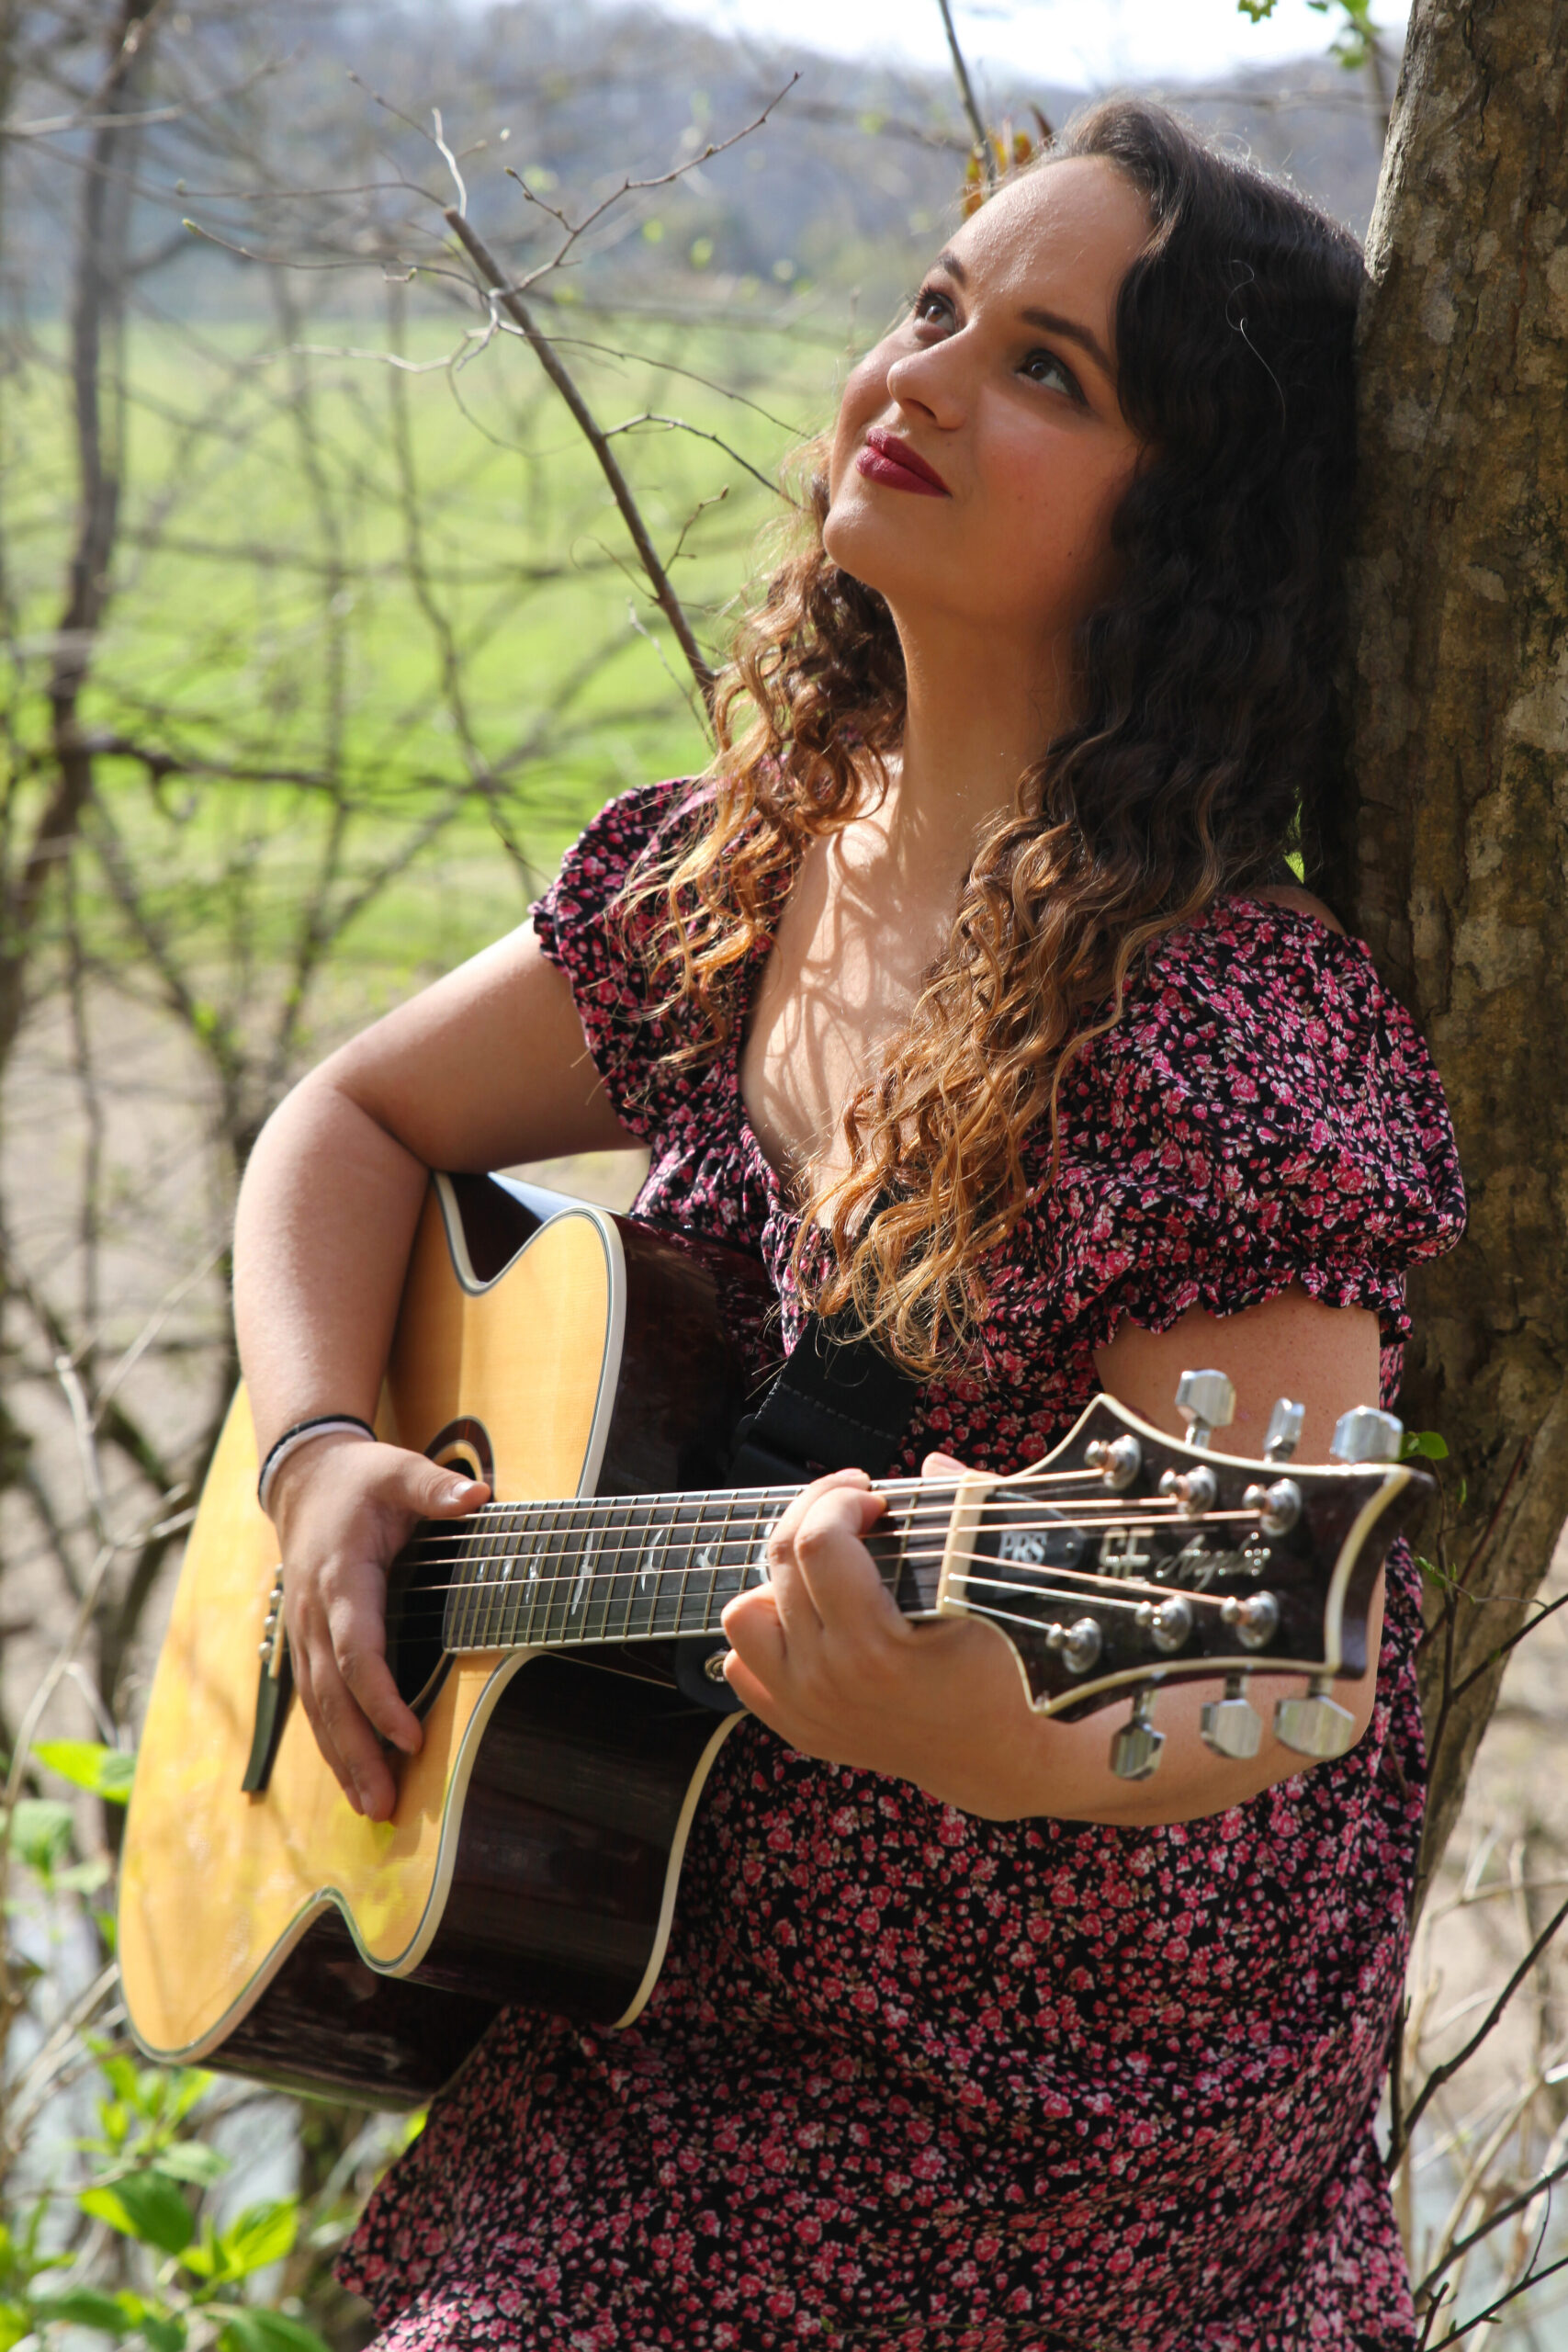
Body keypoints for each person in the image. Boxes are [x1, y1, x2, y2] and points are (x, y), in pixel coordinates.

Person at [232, 98, 1465, 2352]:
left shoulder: (1234, 1037)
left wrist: (968, 1724)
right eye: (933, 307)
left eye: (1046, 369)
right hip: (657, 1986)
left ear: (1181, 523)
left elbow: (1278, 1670)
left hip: (1065, 2145)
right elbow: (346, 1119)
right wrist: (324, 1459)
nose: (919, 376)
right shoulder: (738, 868)